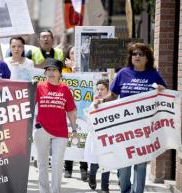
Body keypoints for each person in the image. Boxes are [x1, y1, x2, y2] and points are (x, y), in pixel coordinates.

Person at [95, 42, 166, 193]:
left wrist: (162, 90)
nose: (137, 56)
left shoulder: (154, 75)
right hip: (124, 127)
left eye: (141, 54)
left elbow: (165, 95)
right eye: (134, 54)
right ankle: (125, 190)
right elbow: (113, 95)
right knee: (124, 163)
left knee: (140, 164)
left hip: (145, 128)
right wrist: (101, 101)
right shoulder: (123, 73)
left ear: (147, 58)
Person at [34, 58, 77, 193]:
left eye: (54, 70)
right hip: (42, 129)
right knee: (42, 164)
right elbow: (27, 104)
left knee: (57, 163)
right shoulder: (38, 87)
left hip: (60, 131)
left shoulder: (65, 89)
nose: (51, 73)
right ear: (45, 72)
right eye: (48, 70)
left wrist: (74, 128)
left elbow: (70, 110)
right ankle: (43, 191)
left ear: (60, 73)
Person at [62, 46, 88, 180]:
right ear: (68, 55)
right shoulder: (63, 71)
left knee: (83, 138)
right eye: (72, 53)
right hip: (68, 109)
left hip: (82, 110)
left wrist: (76, 69)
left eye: (77, 53)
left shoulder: (86, 69)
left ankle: (84, 168)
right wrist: (71, 70)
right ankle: (68, 168)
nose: (74, 55)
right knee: (68, 138)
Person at [84, 79, 111, 193]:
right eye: (98, 89)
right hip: (95, 137)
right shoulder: (93, 104)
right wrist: (95, 107)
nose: (99, 91)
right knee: (95, 162)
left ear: (108, 91)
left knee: (107, 162)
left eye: (102, 89)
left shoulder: (112, 103)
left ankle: (105, 186)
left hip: (108, 137)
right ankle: (92, 176)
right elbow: (89, 121)